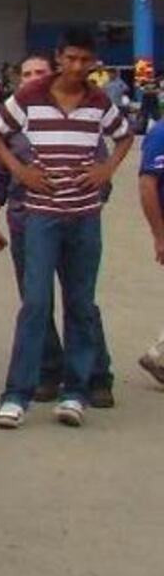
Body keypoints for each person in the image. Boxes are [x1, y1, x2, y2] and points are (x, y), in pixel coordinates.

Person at [0, 27, 132, 429]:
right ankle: (17, 394)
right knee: (35, 302)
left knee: (81, 304)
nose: (78, 67)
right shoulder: (32, 95)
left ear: (94, 64)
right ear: (59, 57)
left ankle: (75, 392)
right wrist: (19, 171)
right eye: (72, 59)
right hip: (41, 215)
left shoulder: (99, 101)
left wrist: (106, 170)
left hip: (84, 216)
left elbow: (124, 136)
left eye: (86, 61)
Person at [138, 113, 164, 386]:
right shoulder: (161, 134)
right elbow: (147, 185)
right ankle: (158, 355)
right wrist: (159, 235)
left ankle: (158, 354)